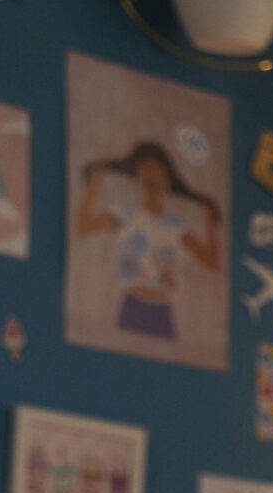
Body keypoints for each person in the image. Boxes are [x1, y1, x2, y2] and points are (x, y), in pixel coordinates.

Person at [73, 141, 220, 342]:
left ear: (168, 179)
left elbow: (210, 260)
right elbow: (82, 227)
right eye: (145, 168)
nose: (151, 175)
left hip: (163, 311)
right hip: (133, 304)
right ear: (137, 174)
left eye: (158, 170)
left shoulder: (176, 227)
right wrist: (94, 184)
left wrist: (210, 220)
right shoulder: (126, 215)